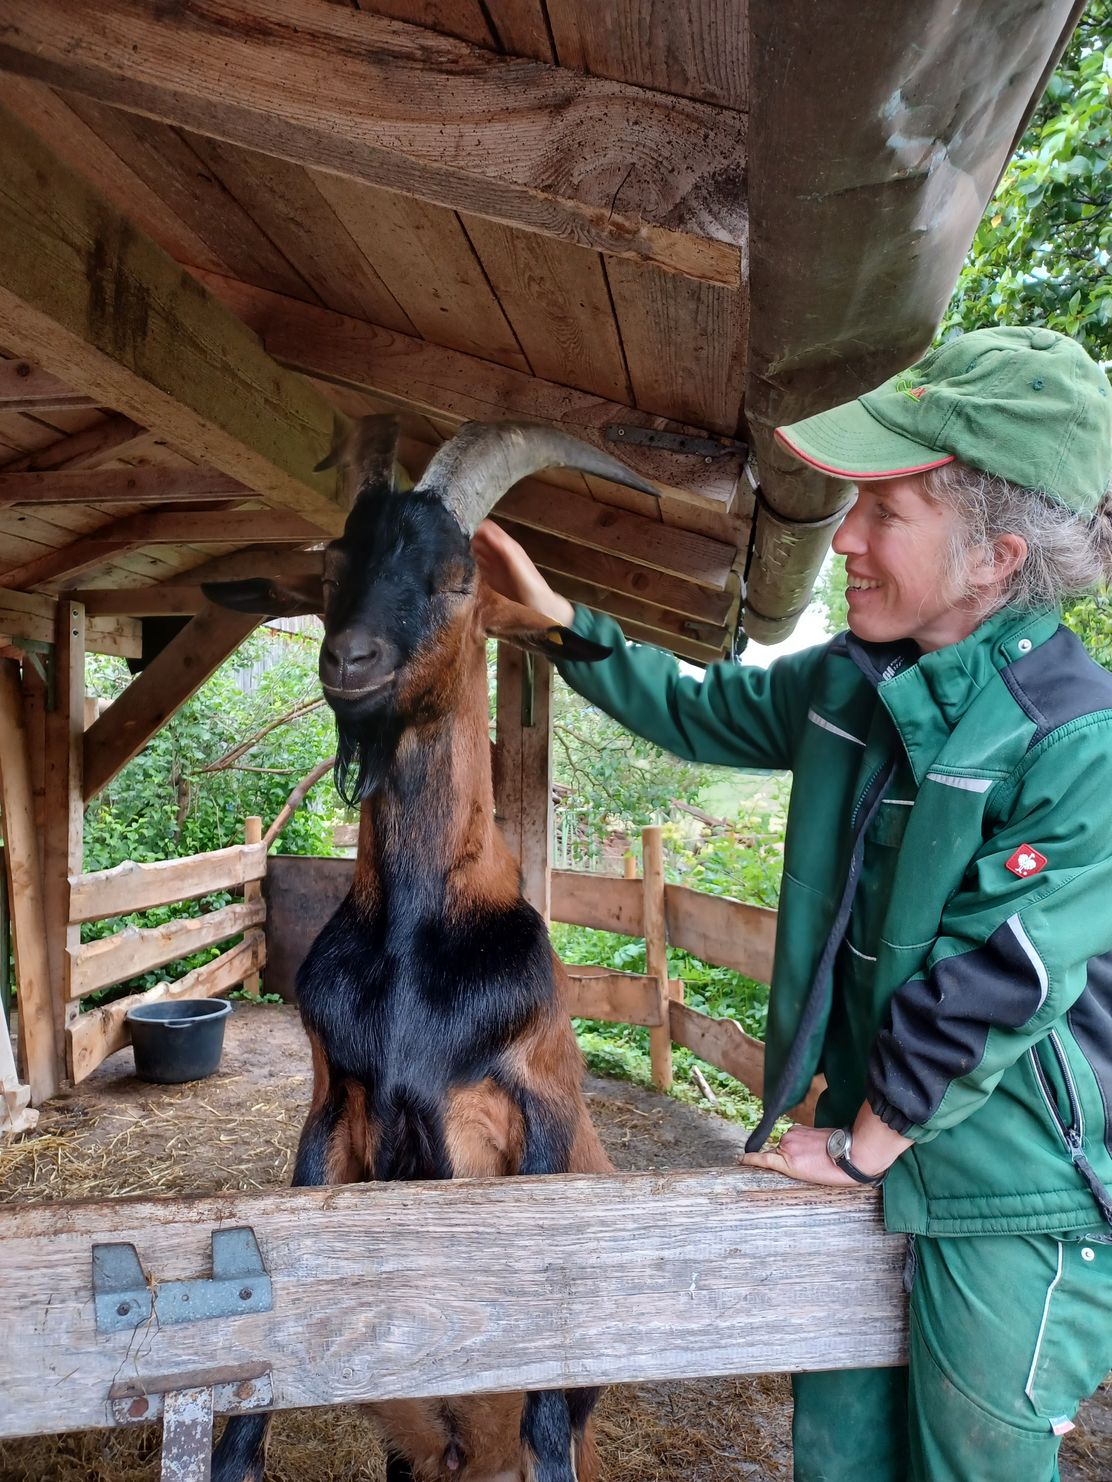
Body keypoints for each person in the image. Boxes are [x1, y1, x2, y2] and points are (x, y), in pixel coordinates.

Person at [473, 325, 1112, 1482]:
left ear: (992, 558)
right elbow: (702, 709)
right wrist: (566, 627)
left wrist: (864, 1151)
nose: (845, 541)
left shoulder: (1077, 742)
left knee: (970, 1461)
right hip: (862, 1139)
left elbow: (1000, 975)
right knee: (841, 1454)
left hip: (1006, 1191)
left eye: (885, 512)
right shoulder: (851, 681)